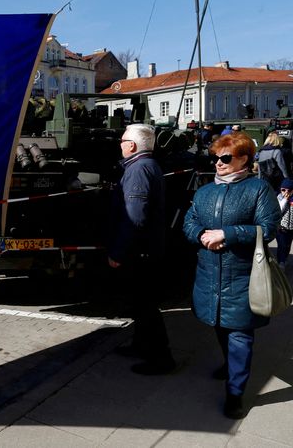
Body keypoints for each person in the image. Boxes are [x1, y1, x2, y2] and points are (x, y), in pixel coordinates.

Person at [182, 132, 281, 419]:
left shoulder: (258, 189)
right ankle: (230, 364)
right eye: (215, 158)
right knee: (219, 324)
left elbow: (267, 228)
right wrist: (201, 235)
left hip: (243, 275)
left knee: (239, 333)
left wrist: (228, 234)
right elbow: (189, 222)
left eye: (225, 158)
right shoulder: (205, 191)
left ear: (244, 159)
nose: (218, 163)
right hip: (209, 272)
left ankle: (235, 392)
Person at [108, 123, 175, 375]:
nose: (120, 143)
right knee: (140, 303)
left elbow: (134, 217)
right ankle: (141, 345)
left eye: (123, 140)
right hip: (145, 250)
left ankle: (162, 358)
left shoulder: (138, 169)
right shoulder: (146, 166)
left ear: (132, 146)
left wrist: (118, 252)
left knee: (146, 306)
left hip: (140, 253)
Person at [276, 178, 293, 265]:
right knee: (281, 246)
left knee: (287, 246)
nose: (286, 192)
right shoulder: (279, 198)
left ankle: (284, 259)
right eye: (283, 190)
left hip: (291, 228)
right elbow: (279, 210)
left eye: (289, 190)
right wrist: (285, 200)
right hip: (281, 228)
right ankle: (281, 262)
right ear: (280, 190)